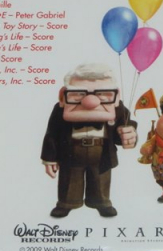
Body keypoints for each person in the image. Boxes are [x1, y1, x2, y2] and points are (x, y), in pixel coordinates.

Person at [41, 63, 137, 218]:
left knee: (100, 179)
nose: (91, 101)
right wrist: (49, 158)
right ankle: (67, 203)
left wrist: (129, 134)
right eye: (79, 93)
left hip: (101, 153)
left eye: (102, 94)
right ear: (63, 96)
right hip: (71, 152)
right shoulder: (59, 110)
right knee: (69, 179)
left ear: (116, 96)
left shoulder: (118, 109)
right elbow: (52, 133)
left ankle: (101, 202)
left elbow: (125, 126)